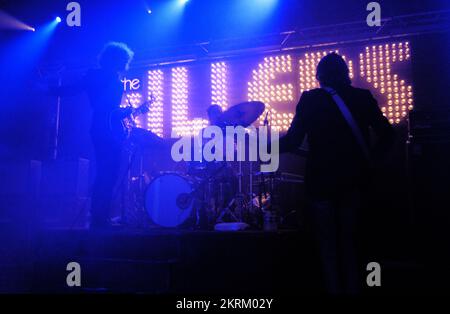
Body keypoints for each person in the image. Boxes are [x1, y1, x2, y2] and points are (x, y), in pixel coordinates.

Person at [279, 52, 394, 294]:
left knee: (327, 247)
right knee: (351, 243)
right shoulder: (362, 97)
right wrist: (372, 161)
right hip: (354, 182)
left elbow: (291, 142)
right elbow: (388, 134)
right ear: (346, 74)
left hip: (321, 183)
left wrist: (262, 148)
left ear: (319, 76)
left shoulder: (311, 100)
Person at [53, 42, 134, 229]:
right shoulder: (96, 76)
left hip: (108, 129)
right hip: (102, 129)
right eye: (124, 59)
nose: (126, 63)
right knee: (106, 173)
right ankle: (98, 219)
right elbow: (72, 90)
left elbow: (110, 109)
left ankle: (101, 217)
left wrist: (126, 112)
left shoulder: (113, 77)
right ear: (116, 59)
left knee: (110, 173)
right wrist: (47, 89)